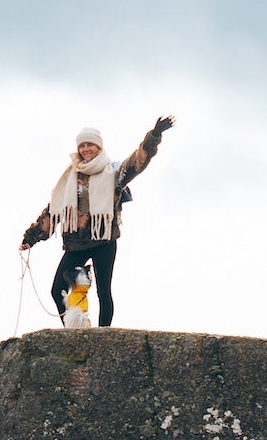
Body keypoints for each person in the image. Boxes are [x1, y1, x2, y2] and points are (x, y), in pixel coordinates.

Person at [20, 117, 173, 328]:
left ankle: (103, 336)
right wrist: (31, 238)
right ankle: (73, 331)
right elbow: (53, 211)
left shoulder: (114, 172)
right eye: (82, 145)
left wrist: (154, 136)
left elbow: (137, 162)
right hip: (76, 244)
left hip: (104, 241)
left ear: (98, 147)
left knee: (103, 292)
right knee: (57, 290)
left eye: (90, 144)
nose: (85, 149)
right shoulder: (70, 177)